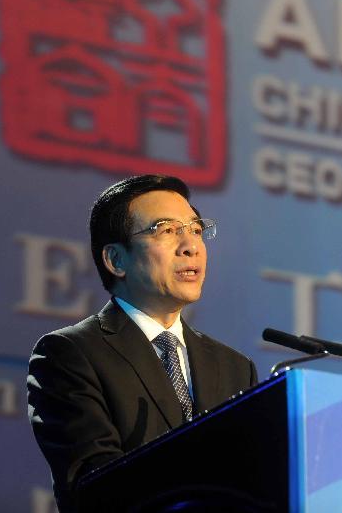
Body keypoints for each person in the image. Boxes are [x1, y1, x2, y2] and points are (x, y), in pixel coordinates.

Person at [27, 175, 258, 512]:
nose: (191, 246)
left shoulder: (234, 367)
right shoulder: (69, 354)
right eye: (167, 230)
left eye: (196, 229)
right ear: (116, 260)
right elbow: (94, 486)